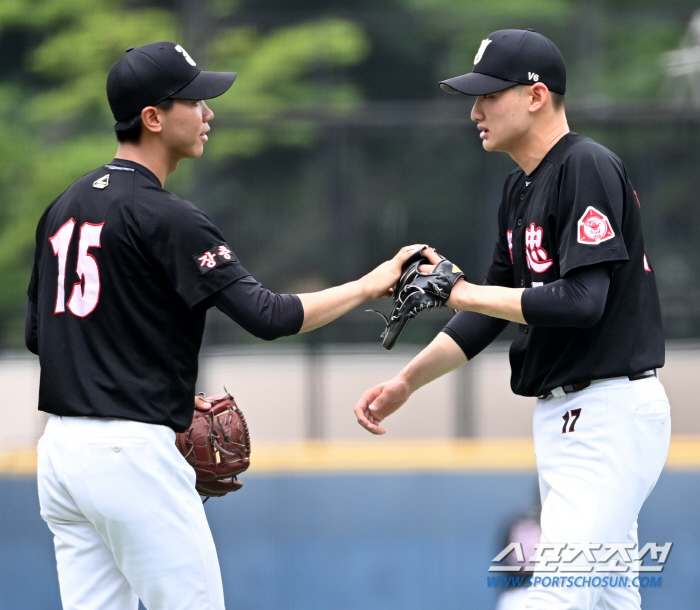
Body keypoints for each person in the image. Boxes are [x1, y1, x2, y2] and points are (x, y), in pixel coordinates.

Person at [26, 41, 423, 610]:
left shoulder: (63, 206)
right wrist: (371, 283)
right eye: (196, 100)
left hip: (61, 457)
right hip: (130, 454)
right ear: (154, 118)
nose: (209, 112)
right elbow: (269, 316)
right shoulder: (167, 216)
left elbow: (41, 337)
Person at [354, 29, 670, 610]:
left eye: (489, 95)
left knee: (555, 594)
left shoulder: (586, 166)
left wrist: (464, 292)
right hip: (568, 418)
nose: (475, 110)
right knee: (605, 600)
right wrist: (407, 381)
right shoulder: (519, 187)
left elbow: (581, 301)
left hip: (606, 412)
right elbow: (486, 310)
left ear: (535, 95)